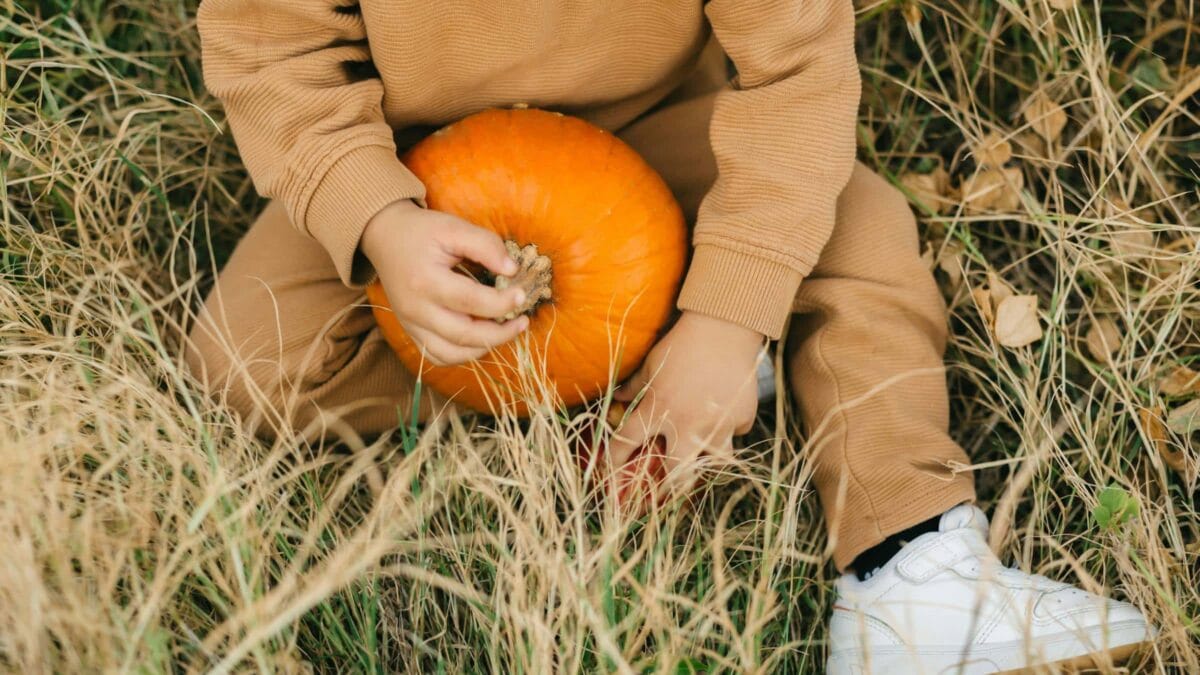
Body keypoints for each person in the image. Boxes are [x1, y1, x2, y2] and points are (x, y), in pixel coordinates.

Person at [189, 1, 1153, 671]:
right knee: (252, 355)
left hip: (661, 131)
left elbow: (797, 78)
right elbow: (271, 50)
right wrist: (377, 221)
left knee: (855, 229)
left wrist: (730, 317)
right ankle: (615, 393)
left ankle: (912, 567)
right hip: (415, 166)